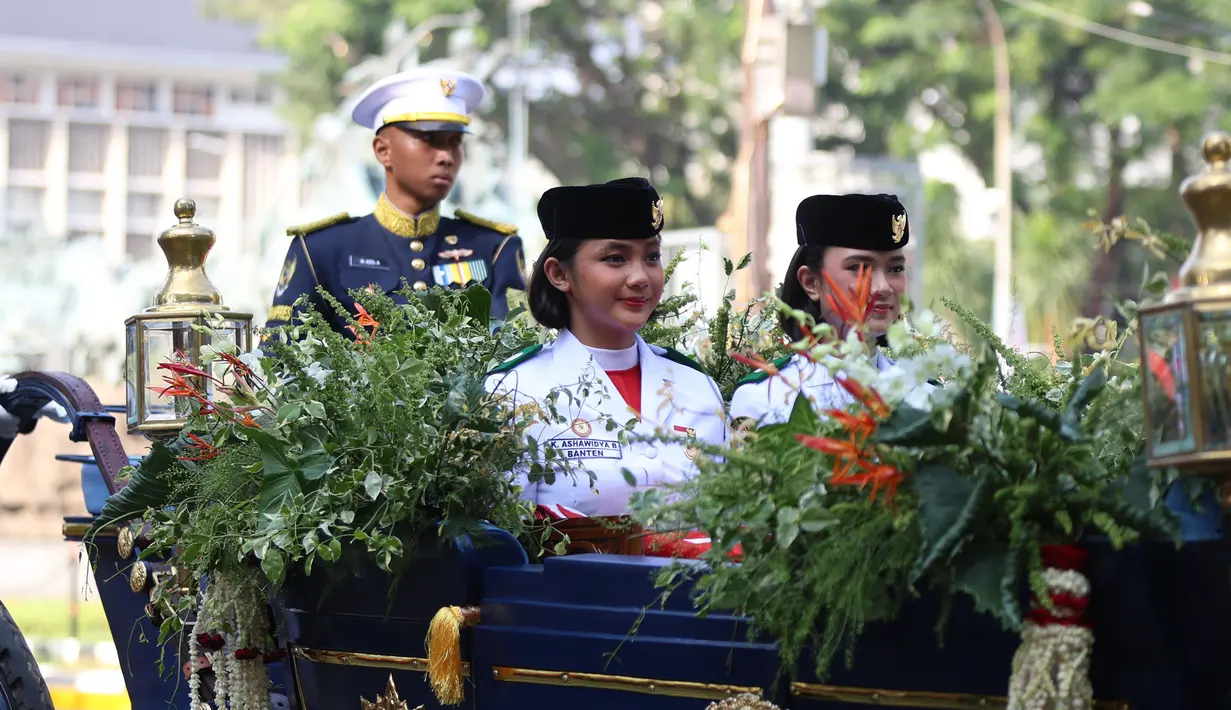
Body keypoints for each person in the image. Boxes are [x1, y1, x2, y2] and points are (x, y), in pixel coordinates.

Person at [485, 177, 727, 516]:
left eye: (652, 257)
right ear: (559, 274)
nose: (641, 277)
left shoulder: (697, 388)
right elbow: (505, 548)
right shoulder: (516, 392)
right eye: (615, 258)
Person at [266, 68, 527, 336]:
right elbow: (281, 358)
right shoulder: (320, 249)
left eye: (455, 142)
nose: (447, 156)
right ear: (383, 150)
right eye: (430, 140)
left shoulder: (494, 248)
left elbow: (517, 353)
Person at [729, 193, 921, 427]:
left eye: (896, 268)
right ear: (811, 282)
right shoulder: (765, 399)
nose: (883, 287)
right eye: (859, 268)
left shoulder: (924, 398)